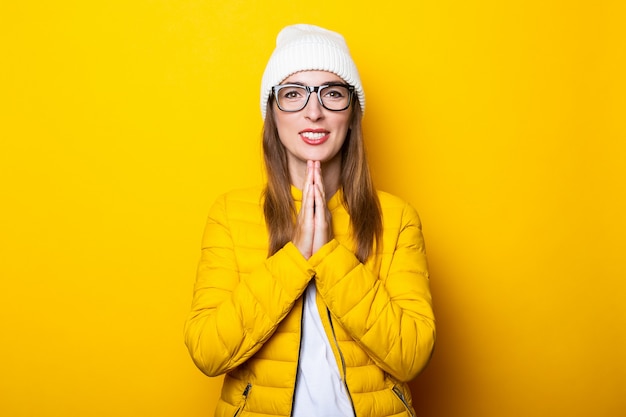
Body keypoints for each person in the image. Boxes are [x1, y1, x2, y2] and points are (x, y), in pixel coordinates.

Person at [184, 23, 436, 417]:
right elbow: (207, 351)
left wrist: (330, 255)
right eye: (294, 94)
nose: (314, 111)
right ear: (273, 113)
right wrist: (296, 256)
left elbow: (411, 355)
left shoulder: (397, 217)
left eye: (332, 94)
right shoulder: (230, 215)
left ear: (352, 114)